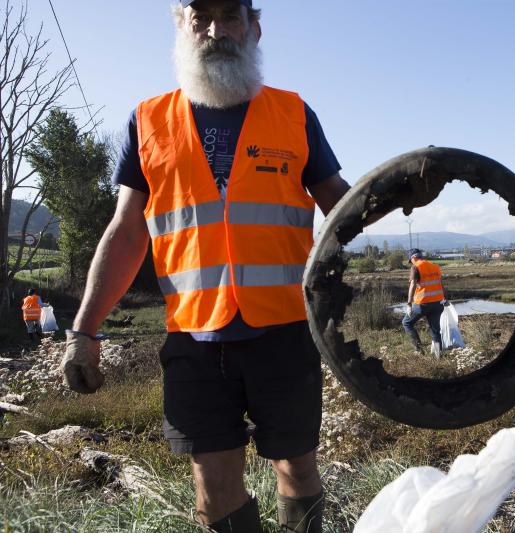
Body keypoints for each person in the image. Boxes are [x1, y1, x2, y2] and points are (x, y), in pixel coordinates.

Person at [58, 1, 349, 531]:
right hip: (193, 337)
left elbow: (342, 206)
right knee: (212, 489)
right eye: (201, 17)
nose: (216, 30)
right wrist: (84, 329)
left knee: (298, 470)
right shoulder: (148, 120)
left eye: (230, 16)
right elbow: (126, 232)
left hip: (283, 331)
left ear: (254, 27)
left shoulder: (293, 113)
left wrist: (401, 189)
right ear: (182, 28)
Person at [402, 249, 448, 358]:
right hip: (438, 304)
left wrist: (409, 304)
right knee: (435, 330)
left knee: (407, 323)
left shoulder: (416, 267)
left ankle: (419, 350)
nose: (411, 263)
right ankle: (438, 356)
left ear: (413, 258)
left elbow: (412, 285)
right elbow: (441, 284)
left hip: (422, 304)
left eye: (411, 260)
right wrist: (445, 299)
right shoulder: (435, 266)